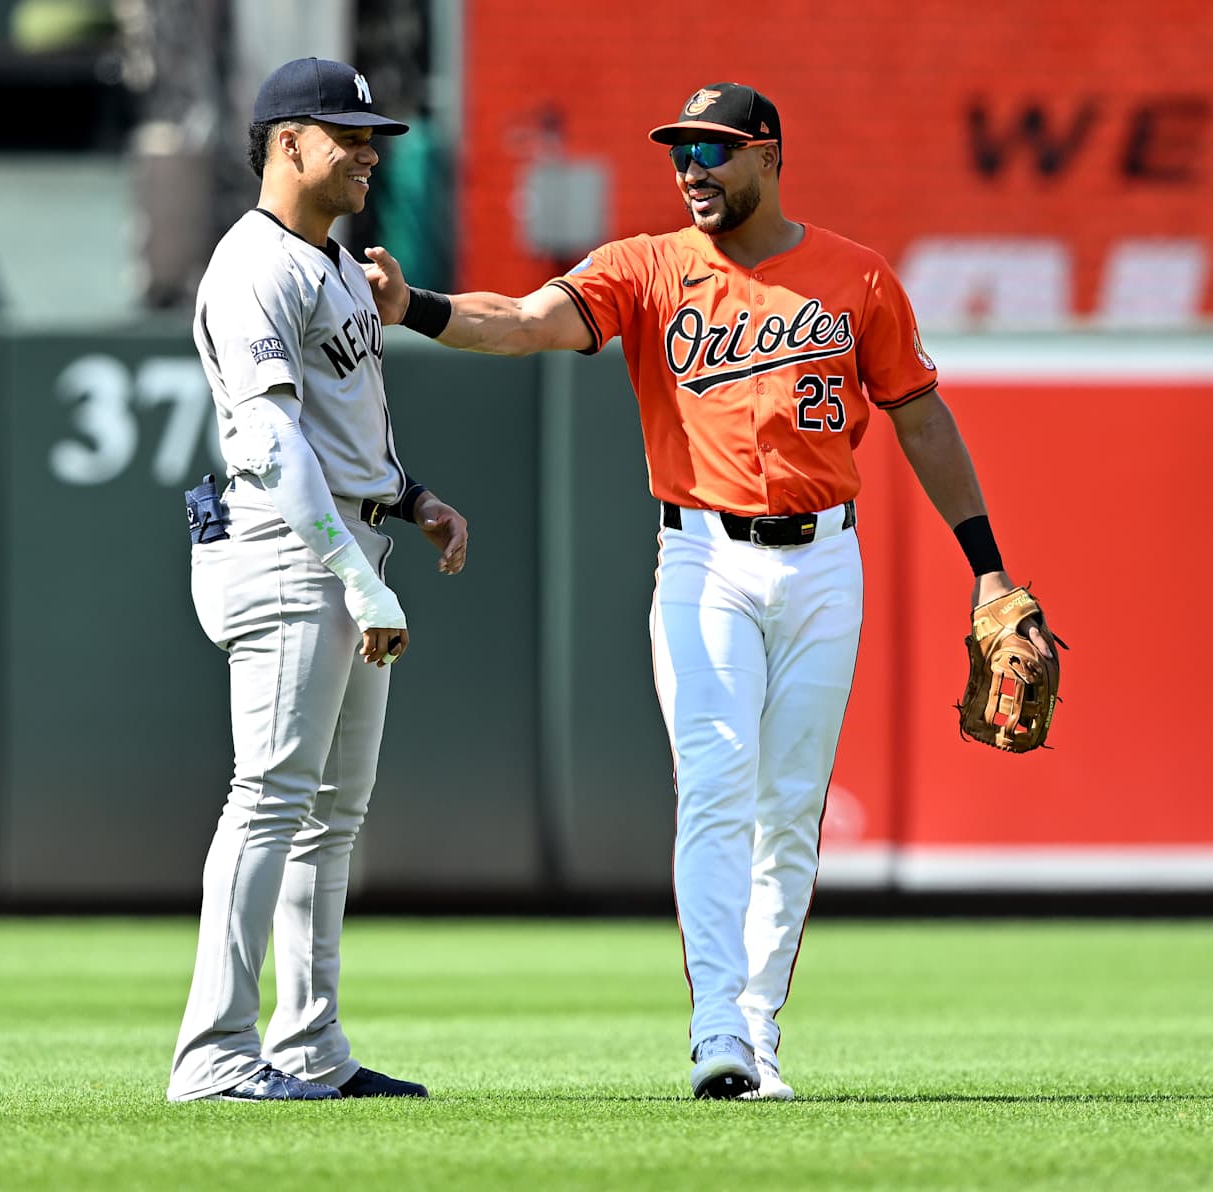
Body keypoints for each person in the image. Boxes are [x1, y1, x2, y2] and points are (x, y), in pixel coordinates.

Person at [363, 82, 1053, 1100]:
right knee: (719, 782)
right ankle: (719, 1027)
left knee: (791, 806)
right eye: (682, 152)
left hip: (825, 559)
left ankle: (760, 1028)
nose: (692, 169)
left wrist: (987, 562)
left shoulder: (856, 279)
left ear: (770, 155)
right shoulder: (646, 267)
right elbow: (517, 321)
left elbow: (920, 419)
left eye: (714, 150)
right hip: (702, 557)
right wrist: (414, 307)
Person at [167, 57, 468, 1103]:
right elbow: (270, 441)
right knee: (270, 797)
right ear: (287, 141)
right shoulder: (252, 263)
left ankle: (308, 1046)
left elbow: (337, 433)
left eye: (372, 132)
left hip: (344, 545)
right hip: (290, 552)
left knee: (329, 816)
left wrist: (412, 496)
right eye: (347, 133)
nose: (370, 151)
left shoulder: (334, 262)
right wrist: (353, 573)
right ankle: (212, 1055)